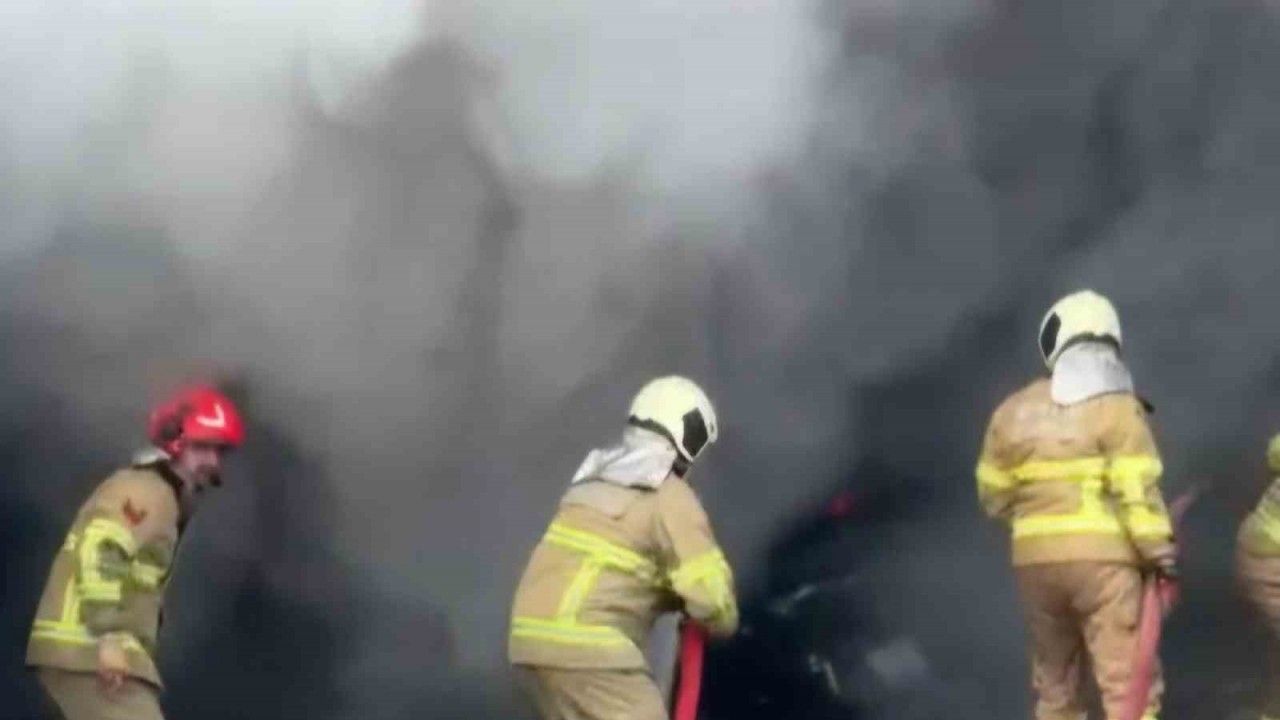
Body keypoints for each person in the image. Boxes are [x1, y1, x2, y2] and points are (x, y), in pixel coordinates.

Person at [976, 290, 1177, 720]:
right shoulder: (1117, 408)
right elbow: (1137, 493)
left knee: (1055, 685)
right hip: (1105, 568)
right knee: (1128, 687)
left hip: (1035, 566)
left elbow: (993, 498)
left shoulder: (1012, 411)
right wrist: (1161, 556)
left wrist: (1039, 525)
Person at [509, 376, 738, 720]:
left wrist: (667, 594)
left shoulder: (593, 481)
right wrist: (722, 617)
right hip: (587, 645)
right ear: (685, 435)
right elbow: (712, 600)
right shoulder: (669, 496)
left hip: (530, 641)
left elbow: (611, 571)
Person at [27, 385, 246, 720]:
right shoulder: (147, 491)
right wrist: (110, 639)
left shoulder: (162, 496)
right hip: (86, 651)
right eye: (202, 447)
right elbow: (101, 552)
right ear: (175, 442)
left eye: (220, 451)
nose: (212, 461)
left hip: (90, 654)